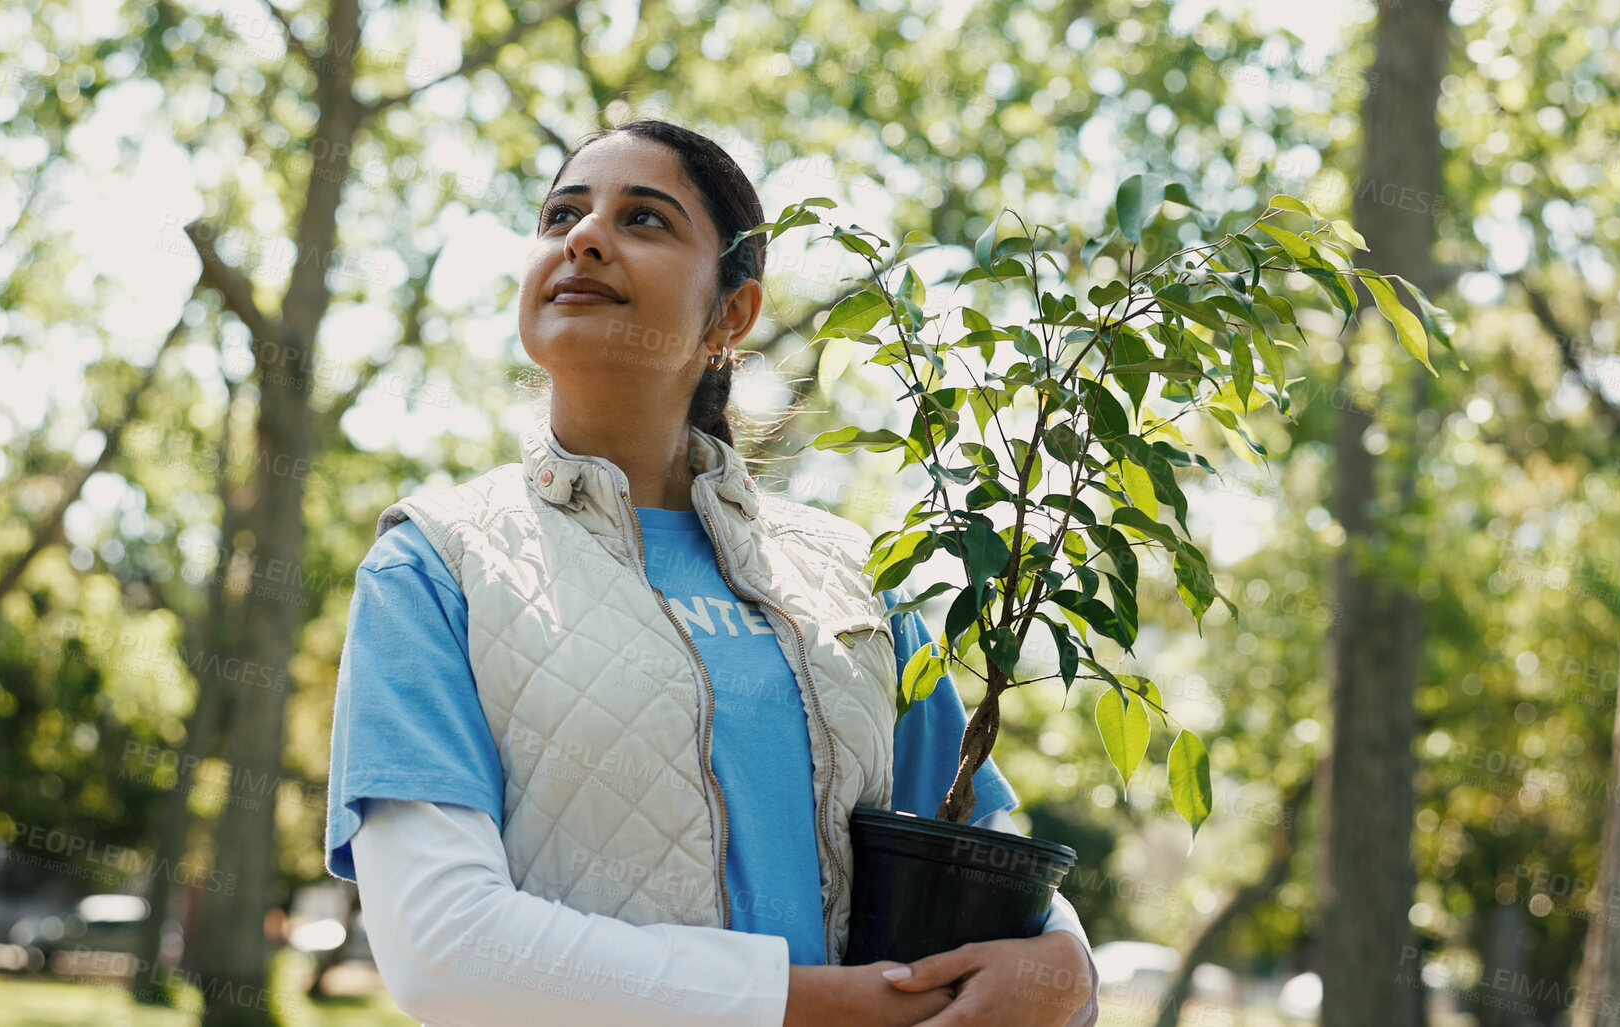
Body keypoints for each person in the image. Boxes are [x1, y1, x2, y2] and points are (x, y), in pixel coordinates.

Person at [325, 119, 1099, 1027]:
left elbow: (982, 852)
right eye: (561, 215)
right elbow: (446, 949)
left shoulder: (854, 575)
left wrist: (1070, 965)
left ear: (730, 314)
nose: (582, 236)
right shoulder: (432, 565)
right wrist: (823, 1006)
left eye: (644, 219)